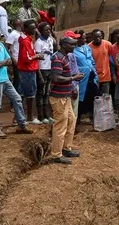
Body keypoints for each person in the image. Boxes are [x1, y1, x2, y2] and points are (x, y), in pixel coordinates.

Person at [0, 28, 31, 138]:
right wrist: (3, 62)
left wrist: (2, 63)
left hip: (5, 78)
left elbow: (9, 61)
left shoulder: (1, 45)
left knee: (17, 98)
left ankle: (21, 124)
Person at [48, 35, 83, 164]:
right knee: (60, 125)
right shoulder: (58, 58)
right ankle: (56, 154)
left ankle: (66, 148)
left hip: (65, 96)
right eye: (71, 44)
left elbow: (63, 75)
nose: (74, 46)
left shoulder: (65, 56)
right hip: (59, 98)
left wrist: (73, 76)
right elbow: (56, 78)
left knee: (71, 120)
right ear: (63, 45)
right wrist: (73, 78)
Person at [73, 30, 99, 124]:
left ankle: (94, 117)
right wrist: (83, 69)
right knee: (81, 98)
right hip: (82, 78)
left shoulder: (87, 48)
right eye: (83, 38)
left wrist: (95, 74)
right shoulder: (73, 50)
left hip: (91, 77)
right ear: (78, 39)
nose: (85, 40)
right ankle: (77, 119)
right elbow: (73, 65)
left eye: (85, 38)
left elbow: (91, 61)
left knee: (93, 96)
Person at [34, 22, 56, 124]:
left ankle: (47, 115)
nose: (48, 31)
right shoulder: (38, 43)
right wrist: (39, 75)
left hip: (50, 68)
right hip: (42, 70)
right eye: (46, 30)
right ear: (41, 31)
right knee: (40, 92)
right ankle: (40, 116)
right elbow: (36, 60)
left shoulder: (50, 40)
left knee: (47, 93)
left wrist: (54, 35)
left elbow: (56, 48)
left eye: (49, 29)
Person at [89, 29, 113, 96]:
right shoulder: (88, 47)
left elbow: (111, 57)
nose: (98, 39)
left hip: (105, 77)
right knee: (96, 98)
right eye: (96, 37)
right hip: (95, 78)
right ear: (92, 37)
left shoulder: (107, 44)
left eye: (99, 37)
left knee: (106, 97)